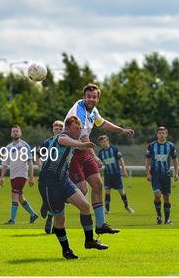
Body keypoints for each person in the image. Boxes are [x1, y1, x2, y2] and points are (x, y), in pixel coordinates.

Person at [65, 84, 134, 235]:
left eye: (94, 97)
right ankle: (59, 195)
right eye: (88, 96)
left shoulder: (93, 110)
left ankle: (101, 224)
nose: (91, 99)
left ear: (98, 98)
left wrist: (121, 129)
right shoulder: (79, 111)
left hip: (83, 150)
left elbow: (101, 122)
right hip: (72, 152)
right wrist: (95, 156)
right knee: (82, 190)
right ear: (84, 97)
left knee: (97, 185)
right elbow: (83, 137)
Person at [38, 116, 108, 260]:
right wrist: (81, 144)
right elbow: (64, 141)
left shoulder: (74, 142)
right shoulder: (62, 136)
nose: (79, 131)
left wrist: (92, 156)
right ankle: (66, 250)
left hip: (64, 181)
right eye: (77, 128)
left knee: (85, 206)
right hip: (49, 184)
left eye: (80, 128)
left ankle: (89, 241)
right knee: (60, 220)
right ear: (68, 128)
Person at [0, 125, 39, 224]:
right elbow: (5, 164)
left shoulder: (25, 146)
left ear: (20, 133)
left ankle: (12, 220)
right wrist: (2, 177)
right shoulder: (8, 147)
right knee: (20, 197)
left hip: (22, 174)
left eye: (17, 131)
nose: (15, 133)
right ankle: (33, 214)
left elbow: (30, 162)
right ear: (11, 133)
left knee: (14, 195)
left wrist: (31, 177)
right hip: (13, 175)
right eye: (13, 131)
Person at [145, 126, 179, 225]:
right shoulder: (151, 146)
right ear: (157, 135)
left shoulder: (171, 146)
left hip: (166, 175)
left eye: (163, 133)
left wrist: (176, 173)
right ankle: (159, 216)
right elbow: (147, 159)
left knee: (166, 197)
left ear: (166, 134)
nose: (161, 135)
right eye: (160, 133)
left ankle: (167, 219)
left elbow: (175, 160)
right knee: (157, 195)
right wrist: (147, 173)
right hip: (155, 174)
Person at [97, 135, 134, 214]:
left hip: (116, 174)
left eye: (104, 141)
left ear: (108, 141)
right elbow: (99, 164)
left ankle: (127, 206)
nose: (103, 143)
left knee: (121, 192)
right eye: (101, 142)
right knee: (107, 192)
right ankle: (107, 209)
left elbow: (121, 159)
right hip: (107, 175)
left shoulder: (114, 149)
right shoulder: (101, 153)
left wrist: (124, 170)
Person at [40, 120, 64, 234]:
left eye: (61, 128)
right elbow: (37, 155)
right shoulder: (47, 142)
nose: (58, 130)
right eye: (56, 128)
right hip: (48, 175)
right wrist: (41, 166)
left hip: (61, 175)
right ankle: (46, 205)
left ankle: (51, 218)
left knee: (60, 198)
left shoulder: (67, 142)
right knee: (51, 196)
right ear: (53, 129)